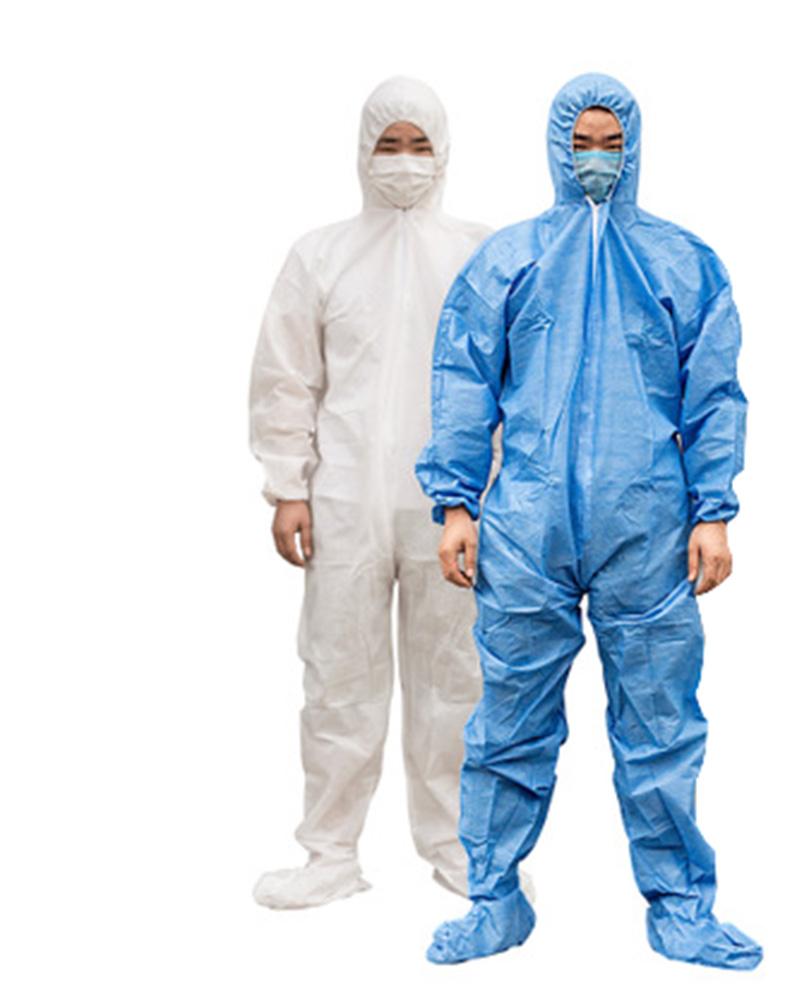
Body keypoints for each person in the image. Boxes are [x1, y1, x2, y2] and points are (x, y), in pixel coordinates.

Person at [415, 73, 762, 969]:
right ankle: (494, 898)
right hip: (525, 527)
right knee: (508, 722)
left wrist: (713, 512)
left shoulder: (682, 262)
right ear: (555, 148)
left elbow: (713, 393)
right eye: (582, 142)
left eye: (611, 142)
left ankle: (680, 905)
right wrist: (455, 504)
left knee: (660, 725)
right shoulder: (508, 259)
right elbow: (462, 379)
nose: (596, 158)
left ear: (633, 149)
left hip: (646, 527)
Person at [248, 76, 494, 909]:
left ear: (443, 153)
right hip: (344, 499)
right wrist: (288, 486)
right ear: (362, 151)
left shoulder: (479, 253)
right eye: (389, 144)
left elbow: (506, 382)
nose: (403, 161)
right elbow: (287, 375)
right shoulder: (319, 255)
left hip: (452, 506)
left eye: (418, 145)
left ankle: (460, 845)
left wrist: (491, 495)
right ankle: (328, 852)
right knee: (338, 679)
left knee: (455, 680)